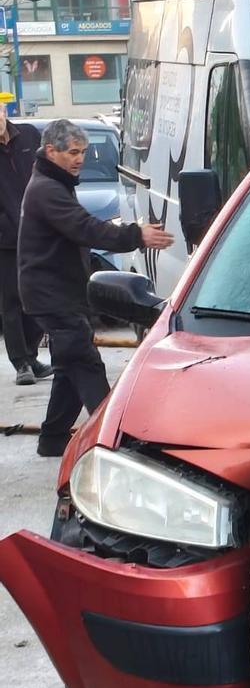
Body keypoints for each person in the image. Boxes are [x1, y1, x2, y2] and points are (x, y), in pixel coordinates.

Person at [18, 119, 173, 457]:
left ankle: (54, 438)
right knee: (86, 364)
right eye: (73, 152)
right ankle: (114, 440)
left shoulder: (54, 183)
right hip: (51, 296)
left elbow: (81, 227)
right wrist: (136, 234)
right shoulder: (46, 188)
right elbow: (84, 228)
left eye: (84, 152)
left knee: (69, 366)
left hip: (58, 293)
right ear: (50, 151)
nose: (80, 159)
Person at [0, 115, 51, 385]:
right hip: (6, 240)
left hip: (37, 233)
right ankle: (21, 363)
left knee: (38, 297)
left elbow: (47, 171)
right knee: (11, 302)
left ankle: (32, 357)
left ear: (3, 111)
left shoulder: (30, 136)